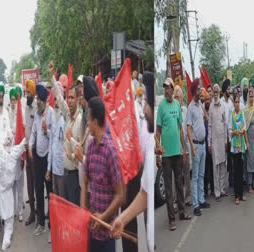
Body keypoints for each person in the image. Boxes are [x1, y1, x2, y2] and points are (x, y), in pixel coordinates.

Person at [111, 71, 155, 252]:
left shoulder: (141, 122)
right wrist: (122, 219)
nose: (144, 108)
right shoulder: (145, 129)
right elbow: (144, 194)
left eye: (146, 101)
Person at [80, 97, 124, 252]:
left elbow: (120, 196)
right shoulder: (90, 147)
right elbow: (85, 182)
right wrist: (83, 208)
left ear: (95, 121)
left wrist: (103, 217)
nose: (87, 123)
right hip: (92, 230)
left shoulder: (110, 152)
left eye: (88, 119)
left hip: (107, 233)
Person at [156, 77, 190, 231]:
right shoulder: (162, 107)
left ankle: (182, 212)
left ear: (172, 88)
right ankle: (171, 219)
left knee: (179, 182)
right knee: (169, 187)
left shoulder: (177, 105)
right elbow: (158, 132)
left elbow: (180, 129)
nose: (167, 90)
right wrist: (158, 153)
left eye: (168, 87)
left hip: (177, 152)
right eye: (165, 88)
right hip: (166, 154)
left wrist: (184, 149)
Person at [0, 133, 26, 251]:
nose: (9, 139)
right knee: (7, 220)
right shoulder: (12, 153)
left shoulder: (0, 149)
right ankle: (3, 241)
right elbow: (24, 142)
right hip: (3, 191)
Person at [50, 70, 83, 205]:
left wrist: (71, 143)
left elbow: (81, 152)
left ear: (78, 99)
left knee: (75, 211)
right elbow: (58, 96)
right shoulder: (67, 115)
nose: (69, 101)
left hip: (75, 176)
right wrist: (51, 76)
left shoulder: (80, 121)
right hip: (65, 173)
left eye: (72, 98)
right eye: (68, 97)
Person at [28, 84, 54, 236]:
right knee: (38, 190)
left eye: (38, 99)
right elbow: (33, 133)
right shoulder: (37, 114)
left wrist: (47, 131)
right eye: (36, 98)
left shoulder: (50, 113)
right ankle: (41, 224)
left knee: (50, 192)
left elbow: (53, 137)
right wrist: (30, 147)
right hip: (37, 157)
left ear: (44, 100)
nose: (36, 101)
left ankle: (51, 222)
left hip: (48, 158)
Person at [187, 78, 211, 216]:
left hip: (203, 144)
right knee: (195, 176)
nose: (200, 91)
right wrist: (192, 146)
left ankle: (202, 199)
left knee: (201, 174)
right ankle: (195, 204)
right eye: (198, 90)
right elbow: (189, 129)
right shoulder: (190, 108)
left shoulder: (200, 106)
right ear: (193, 92)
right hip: (195, 145)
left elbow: (206, 119)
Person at [46, 82, 66, 202]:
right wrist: (49, 169)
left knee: (63, 202)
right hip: (54, 169)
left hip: (63, 170)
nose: (56, 102)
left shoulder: (66, 119)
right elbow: (51, 144)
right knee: (56, 201)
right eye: (55, 99)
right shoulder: (53, 117)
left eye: (58, 99)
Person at [208, 84, 228, 200]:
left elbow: (225, 125)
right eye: (214, 92)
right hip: (214, 142)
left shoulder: (223, 107)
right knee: (215, 167)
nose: (215, 93)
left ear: (219, 92)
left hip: (222, 141)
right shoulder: (211, 107)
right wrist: (209, 143)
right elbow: (209, 126)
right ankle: (217, 193)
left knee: (223, 166)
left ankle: (222, 189)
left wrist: (226, 141)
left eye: (217, 91)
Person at [8, 87, 25, 222]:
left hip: (19, 153)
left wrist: (22, 155)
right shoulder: (8, 114)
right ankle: (13, 210)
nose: (13, 102)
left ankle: (20, 210)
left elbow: (23, 136)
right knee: (12, 184)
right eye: (11, 100)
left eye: (15, 100)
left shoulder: (22, 113)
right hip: (10, 154)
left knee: (19, 184)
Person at [173, 86, 192, 206]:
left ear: (182, 98)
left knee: (187, 175)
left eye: (178, 97)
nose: (176, 99)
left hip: (186, 149)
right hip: (176, 150)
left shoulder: (185, 111)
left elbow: (188, 128)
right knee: (177, 178)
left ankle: (187, 198)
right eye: (175, 97)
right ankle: (177, 200)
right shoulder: (172, 111)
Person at [229, 96, 249, 205]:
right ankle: (236, 195)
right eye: (235, 102)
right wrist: (233, 133)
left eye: (238, 102)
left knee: (241, 171)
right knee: (235, 171)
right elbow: (229, 130)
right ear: (233, 104)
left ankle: (241, 194)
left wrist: (242, 131)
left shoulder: (242, 114)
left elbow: (244, 127)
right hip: (234, 147)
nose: (237, 104)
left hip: (241, 146)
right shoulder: (231, 115)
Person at [24, 80, 37, 226]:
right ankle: (32, 211)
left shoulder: (36, 107)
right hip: (27, 150)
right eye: (26, 92)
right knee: (29, 184)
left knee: (36, 182)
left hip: (35, 151)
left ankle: (39, 209)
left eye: (28, 92)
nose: (26, 95)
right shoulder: (26, 107)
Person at [221, 79, 234, 186]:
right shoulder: (220, 102)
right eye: (229, 89)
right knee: (223, 160)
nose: (230, 91)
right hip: (222, 134)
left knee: (231, 158)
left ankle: (231, 181)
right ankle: (221, 185)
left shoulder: (231, 103)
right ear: (225, 90)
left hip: (231, 134)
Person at [202, 90, 214, 197]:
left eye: (208, 100)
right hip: (203, 144)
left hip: (212, 142)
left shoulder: (212, 110)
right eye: (205, 100)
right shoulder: (201, 111)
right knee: (205, 169)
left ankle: (214, 189)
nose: (207, 102)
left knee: (212, 167)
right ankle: (205, 190)